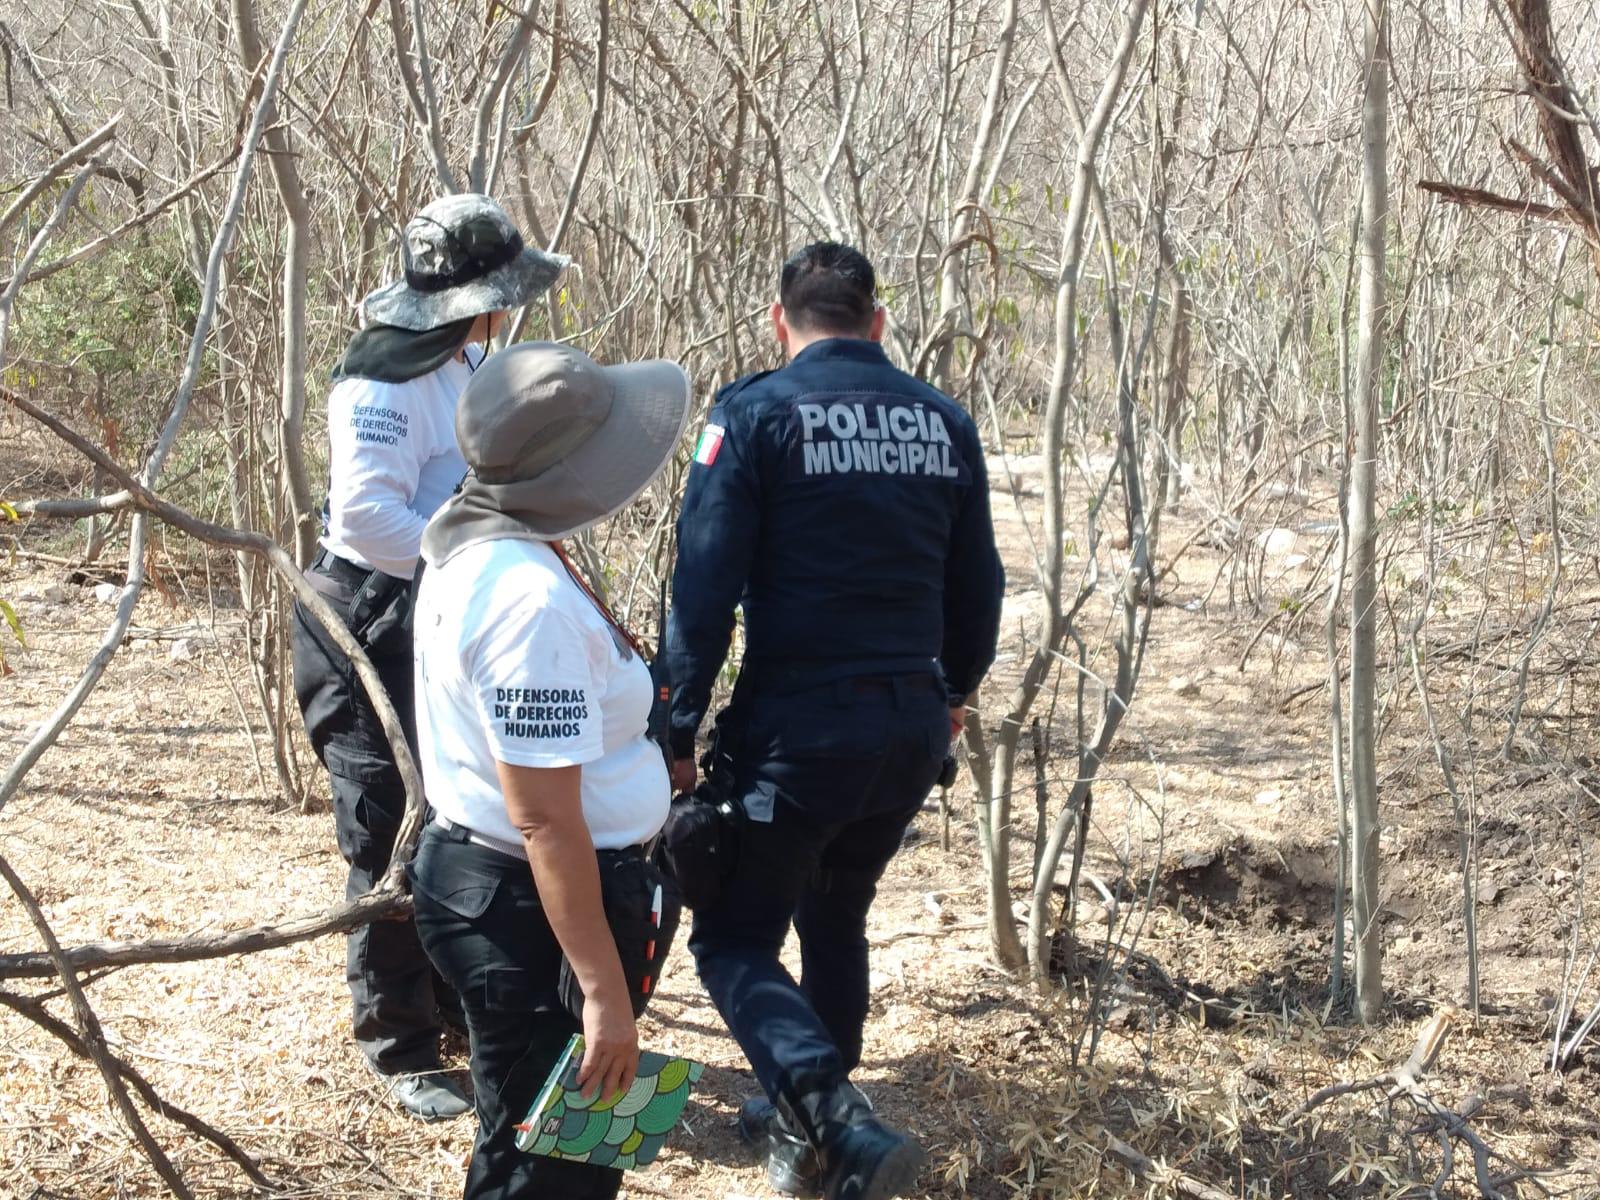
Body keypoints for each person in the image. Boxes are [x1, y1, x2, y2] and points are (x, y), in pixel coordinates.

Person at [663, 242, 1005, 1200]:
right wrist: (952, 697)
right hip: (906, 730)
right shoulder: (945, 423)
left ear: (782, 323)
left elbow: (704, 587)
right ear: (878, 323)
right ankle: (810, 1140)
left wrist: (675, 725)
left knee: (731, 940)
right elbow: (978, 587)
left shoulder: (755, 414)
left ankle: (833, 1115)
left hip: (797, 737)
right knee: (836, 913)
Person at [290, 193, 566, 1120]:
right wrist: (474, 560)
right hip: (369, 621)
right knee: (389, 823)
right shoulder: (380, 383)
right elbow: (370, 517)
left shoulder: (469, 358)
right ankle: (398, 1041)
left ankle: (448, 1000)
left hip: (441, 609)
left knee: (456, 811)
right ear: (468, 298)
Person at [410, 341, 691, 1199]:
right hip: (537, 906)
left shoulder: (485, 541)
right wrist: (603, 994)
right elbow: (545, 819)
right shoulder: (524, 600)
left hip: (543, 892)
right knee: (547, 1168)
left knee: (562, 1149)